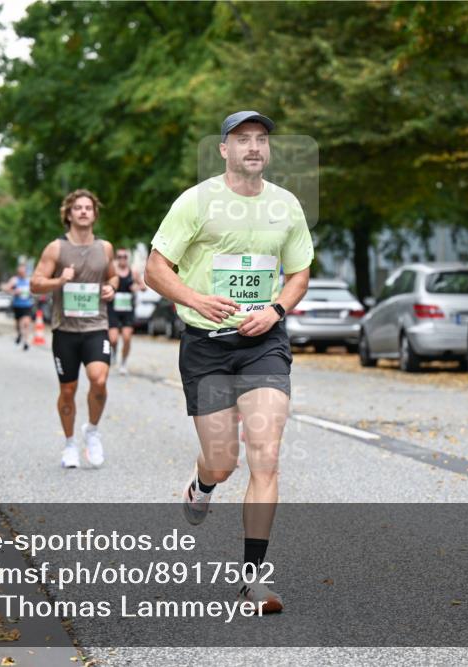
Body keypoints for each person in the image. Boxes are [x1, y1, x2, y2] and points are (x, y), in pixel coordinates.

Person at [145, 111, 313, 613]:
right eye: (242, 140)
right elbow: (155, 268)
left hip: (264, 344)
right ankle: (203, 483)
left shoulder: (286, 205)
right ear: (224, 150)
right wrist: (195, 299)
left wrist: (276, 310)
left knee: (265, 454)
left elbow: (299, 273)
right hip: (206, 345)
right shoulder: (195, 202)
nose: (254, 147)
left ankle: (253, 580)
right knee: (223, 460)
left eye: (261, 139)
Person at [30, 189, 118, 469]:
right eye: (77, 208)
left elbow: (113, 276)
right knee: (68, 390)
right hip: (65, 330)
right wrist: (59, 281)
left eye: (88, 208)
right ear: (68, 214)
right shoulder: (56, 248)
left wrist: (111, 287)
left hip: (96, 326)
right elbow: (35, 284)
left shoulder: (105, 248)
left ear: (94, 214)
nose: (83, 212)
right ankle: (69, 444)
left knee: (99, 380)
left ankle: (92, 430)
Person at [107, 248, 145, 375]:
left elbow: (143, 287)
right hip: (113, 309)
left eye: (125, 256)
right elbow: (105, 284)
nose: (122, 259)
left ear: (127, 258)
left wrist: (137, 287)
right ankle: (114, 352)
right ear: (116, 258)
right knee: (113, 339)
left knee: (127, 337)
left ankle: (123, 363)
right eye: (120, 256)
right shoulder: (112, 271)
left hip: (127, 310)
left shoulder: (133, 272)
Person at [6, 264, 35, 351]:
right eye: (20, 272)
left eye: (23, 271)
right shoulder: (14, 280)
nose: (22, 273)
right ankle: (19, 334)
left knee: (26, 323)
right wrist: (14, 291)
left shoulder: (29, 280)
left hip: (27, 305)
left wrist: (32, 292)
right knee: (18, 324)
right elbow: (6, 288)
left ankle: (26, 342)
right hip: (17, 305)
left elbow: (34, 290)